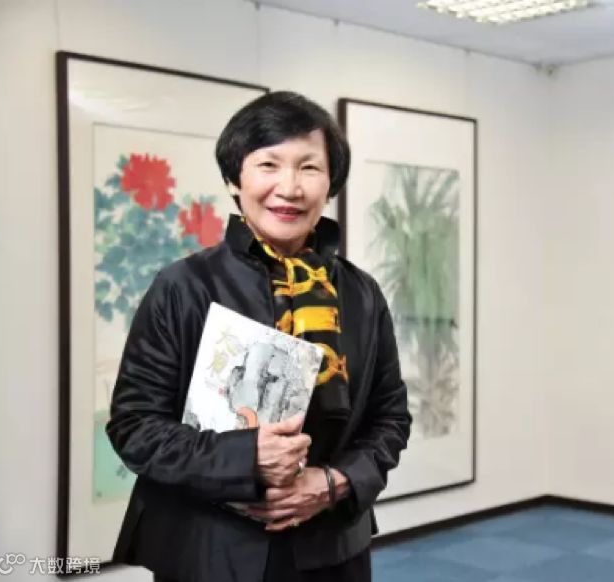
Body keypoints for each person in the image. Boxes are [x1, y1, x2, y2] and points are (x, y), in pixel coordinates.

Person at [106, 91, 412, 582]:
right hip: (207, 551)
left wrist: (334, 482)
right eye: (268, 164)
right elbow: (135, 426)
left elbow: (390, 417)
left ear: (331, 183)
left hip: (332, 547)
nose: (289, 187)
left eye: (309, 167)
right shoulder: (183, 286)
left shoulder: (361, 293)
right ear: (235, 179)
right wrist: (248, 457)